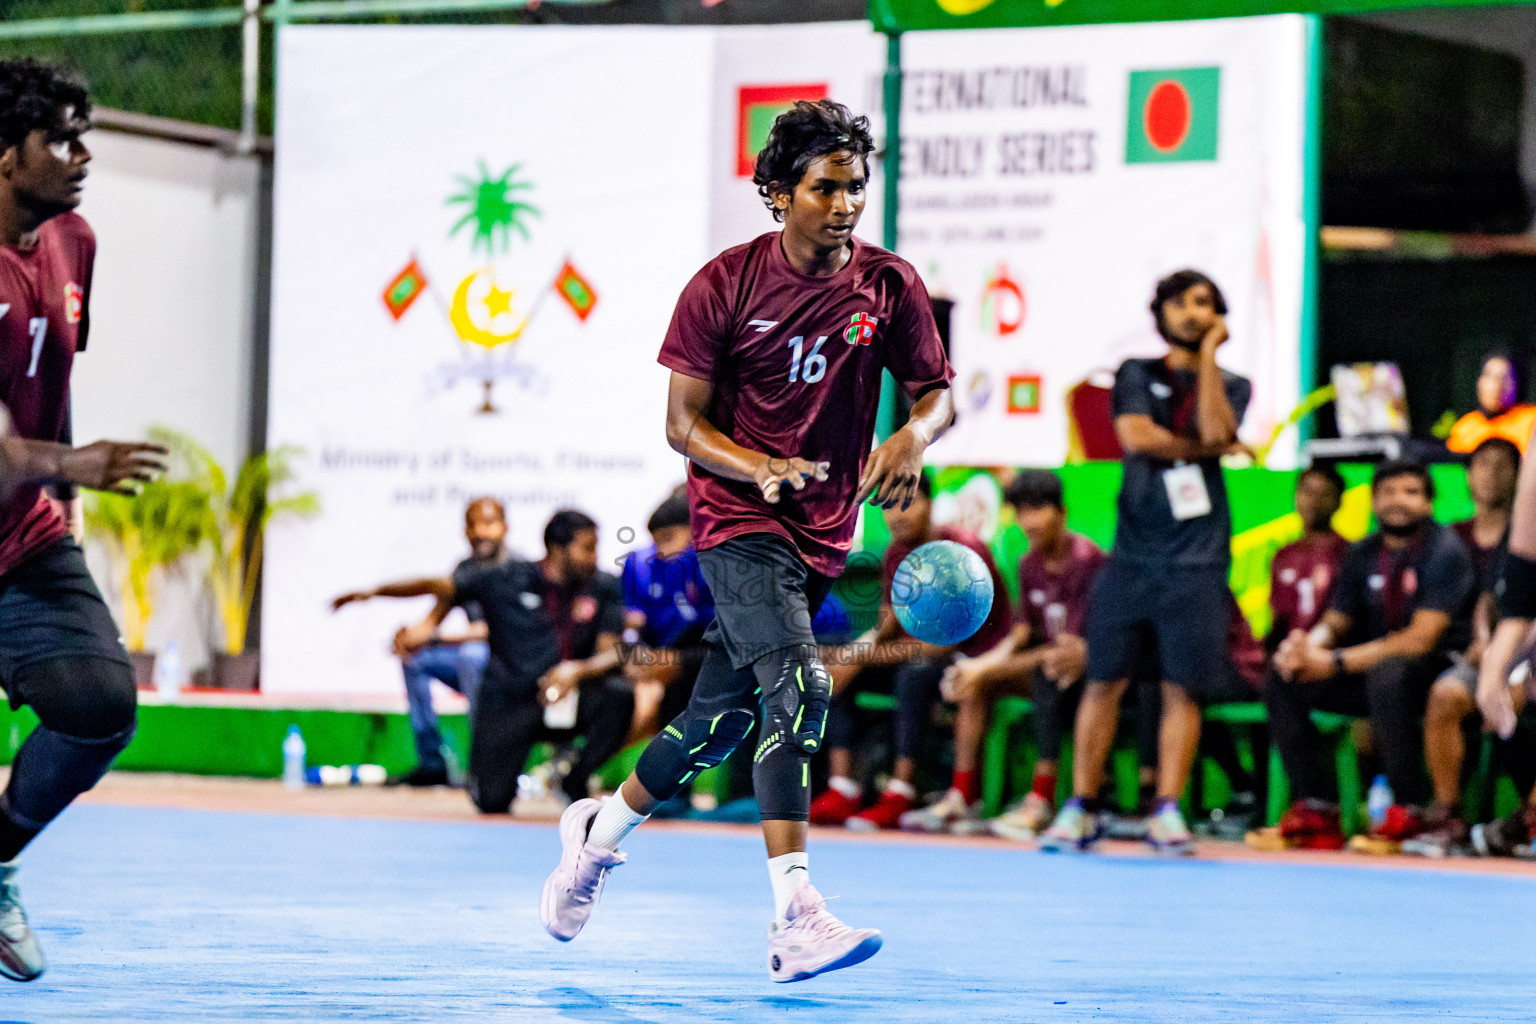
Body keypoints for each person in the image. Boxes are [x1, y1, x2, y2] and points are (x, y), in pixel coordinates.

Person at [539, 99, 954, 983]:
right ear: (777, 193)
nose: (845, 206)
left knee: (716, 722)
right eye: (825, 188)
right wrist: (757, 464)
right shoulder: (722, 285)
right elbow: (681, 424)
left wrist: (914, 435)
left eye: (855, 188)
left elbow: (934, 393)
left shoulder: (889, 285)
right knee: (802, 687)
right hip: (736, 521)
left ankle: (595, 834)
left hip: (824, 531)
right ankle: (796, 914)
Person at [0, 61, 183, 982]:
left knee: (98, 706)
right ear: (4, 154)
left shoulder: (75, 241)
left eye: (84, 134)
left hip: (23, 540)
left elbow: (49, 384)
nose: (82, 156)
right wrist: (72, 466)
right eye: (60, 139)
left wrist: (61, 494)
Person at [1039, 269, 1250, 856]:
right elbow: (1136, 437)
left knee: (1184, 688)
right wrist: (1209, 450)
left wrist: (1208, 359)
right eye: (1180, 303)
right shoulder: (1135, 373)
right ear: (1160, 312)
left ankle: (1167, 812)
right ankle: (1080, 807)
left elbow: (1216, 424)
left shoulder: (1234, 383)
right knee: (1104, 680)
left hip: (1199, 563)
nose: (1191, 313)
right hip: (1131, 560)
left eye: (1204, 305)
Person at [1266, 460, 1475, 850]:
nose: (1399, 501)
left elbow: (1420, 639)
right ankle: (1317, 807)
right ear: (1373, 501)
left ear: (1429, 503)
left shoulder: (1444, 550)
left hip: (1432, 670)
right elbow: (1338, 619)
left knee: (1389, 674)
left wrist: (1334, 662)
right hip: (1370, 668)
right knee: (1283, 677)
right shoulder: (1362, 551)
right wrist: (1306, 648)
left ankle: (1408, 809)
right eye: (1389, 492)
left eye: (1411, 492)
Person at [388, 509, 635, 813]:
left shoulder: (604, 585)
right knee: (490, 801)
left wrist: (577, 671)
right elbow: (442, 587)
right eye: (586, 548)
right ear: (557, 548)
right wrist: (381, 596)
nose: (593, 557)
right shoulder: (508, 576)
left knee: (620, 696)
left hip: (571, 696)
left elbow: (613, 650)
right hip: (511, 702)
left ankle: (576, 777)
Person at [807, 470, 1010, 834]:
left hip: (971, 656)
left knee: (912, 676)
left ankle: (902, 791)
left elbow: (942, 644)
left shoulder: (961, 552)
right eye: (887, 506)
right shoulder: (896, 552)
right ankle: (843, 788)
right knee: (836, 666)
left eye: (907, 503)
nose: (896, 515)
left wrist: (861, 658)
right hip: (914, 650)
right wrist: (854, 652)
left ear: (931, 504)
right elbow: (888, 621)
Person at [939, 470, 1105, 840]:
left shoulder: (1086, 559)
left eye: (1037, 510)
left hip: (1088, 672)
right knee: (977, 684)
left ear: (1061, 512)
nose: (1028, 521)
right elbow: (1022, 634)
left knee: (1049, 674)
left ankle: (1042, 800)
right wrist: (978, 667)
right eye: (1021, 511)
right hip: (1044, 663)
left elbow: (1067, 651)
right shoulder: (1028, 563)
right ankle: (962, 795)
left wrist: (985, 670)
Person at [331, 497, 507, 786]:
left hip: (508, 670)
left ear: (504, 527)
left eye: (488, 523)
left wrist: (438, 637)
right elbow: (432, 617)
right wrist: (410, 638)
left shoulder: (516, 569)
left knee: (472, 656)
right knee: (417, 660)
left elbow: (496, 631)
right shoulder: (465, 570)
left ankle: (485, 766)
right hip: (474, 666)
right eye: (472, 525)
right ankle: (432, 763)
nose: (480, 532)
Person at [1407, 438, 1520, 856]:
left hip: (1523, 659)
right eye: (1483, 464)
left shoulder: (1523, 535)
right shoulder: (1447, 539)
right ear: (1467, 476)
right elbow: (1487, 602)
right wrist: (1488, 651)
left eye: (1503, 465)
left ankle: (1524, 820)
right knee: (1444, 694)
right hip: (1474, 656)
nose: (1492, 473)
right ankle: (1447, 815)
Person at [1267, 465, 1349, 647]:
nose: (1314, 502)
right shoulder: (1282, 556)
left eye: (1324, 495)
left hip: (1331, 658)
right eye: (1307, 492)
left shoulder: (1349, 554)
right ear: (1296, 496)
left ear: (1338, 502)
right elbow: (1278, 618)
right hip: (1288, 655)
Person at [1447, 352, 1536, 455]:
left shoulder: (1531, 421)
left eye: (1504, 378)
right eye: (1489, 376)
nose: (1496, 386)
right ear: (1479, 382)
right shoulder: (1465, 427)